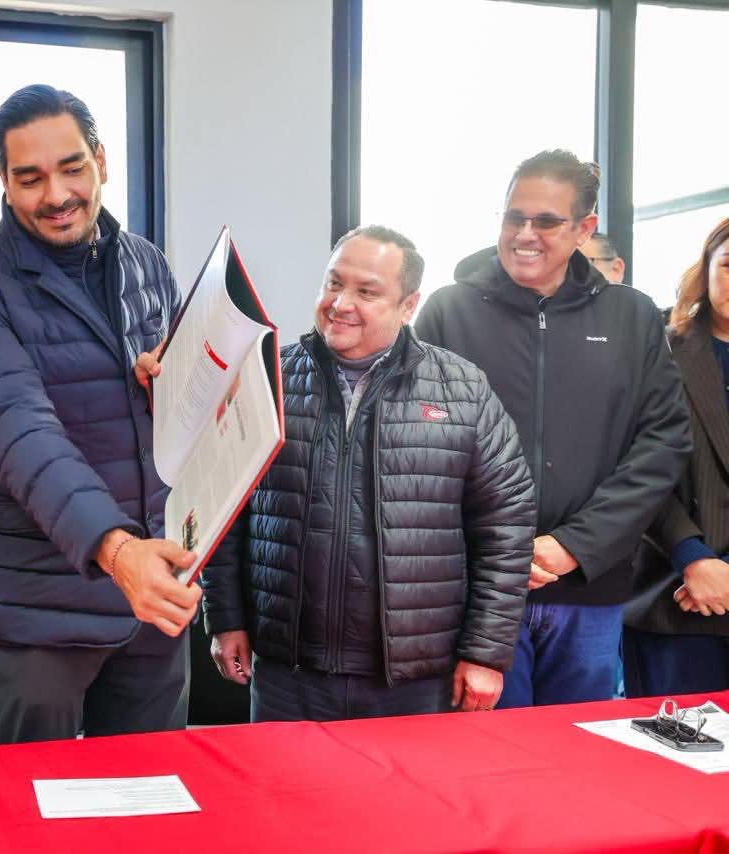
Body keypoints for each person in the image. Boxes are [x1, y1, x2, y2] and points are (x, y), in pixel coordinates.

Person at [0, 84, 200, 745]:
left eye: (72, 168)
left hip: (152, 598)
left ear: (101, 161)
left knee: (150, 793)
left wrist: (170, 388)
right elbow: (20, 434)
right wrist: (117, 551)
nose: (56, 195)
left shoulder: (145, 264)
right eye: (30, 178)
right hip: (38, 615)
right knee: (33, 799)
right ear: (3, 182)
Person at [193, 226, 534, 721]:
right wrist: (225, 619)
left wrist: (485, 653)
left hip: (416, 679)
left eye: (366, 292)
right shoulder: (267, 380)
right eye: (333, 283)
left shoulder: (463, 391)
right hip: (289, 674)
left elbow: (506, 526)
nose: (340, 303)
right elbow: (223, 514)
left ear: (408, 305)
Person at [416, 149, 691, 707]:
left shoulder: (632, 317)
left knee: (578, 749)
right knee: (483, 751)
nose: (525, 234)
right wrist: (501, 551)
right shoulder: (448, 311)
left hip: (589, 588)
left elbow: (662, 444)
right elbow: (418, 447)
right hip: (478, 592)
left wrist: (575, 545)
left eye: (545, 221)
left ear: (584, 229)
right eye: (513, 217)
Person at [624, 217, 729, 696]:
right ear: (705, 269)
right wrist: (694, 557)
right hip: (675, 593)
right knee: (676, 740)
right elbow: (633, 465)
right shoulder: (659, 349)